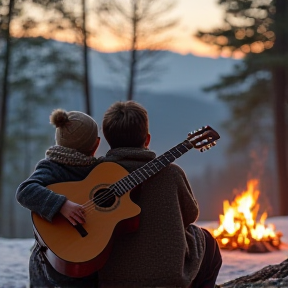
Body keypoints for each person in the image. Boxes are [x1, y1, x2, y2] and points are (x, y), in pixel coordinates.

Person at [97, 101, 222, 288]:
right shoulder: (172, 173)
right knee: (207, 241)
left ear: (108, 140)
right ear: (147, 139)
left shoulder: (95, 174)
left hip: (109, 280)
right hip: (169, 279)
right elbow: (190, 215)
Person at [16, 109, 100, 288]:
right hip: (50, 257)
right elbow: (25, 190)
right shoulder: (52, 167)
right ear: (96, 145)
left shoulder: (100, 172)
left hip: (87, 253)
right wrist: (62, 204)